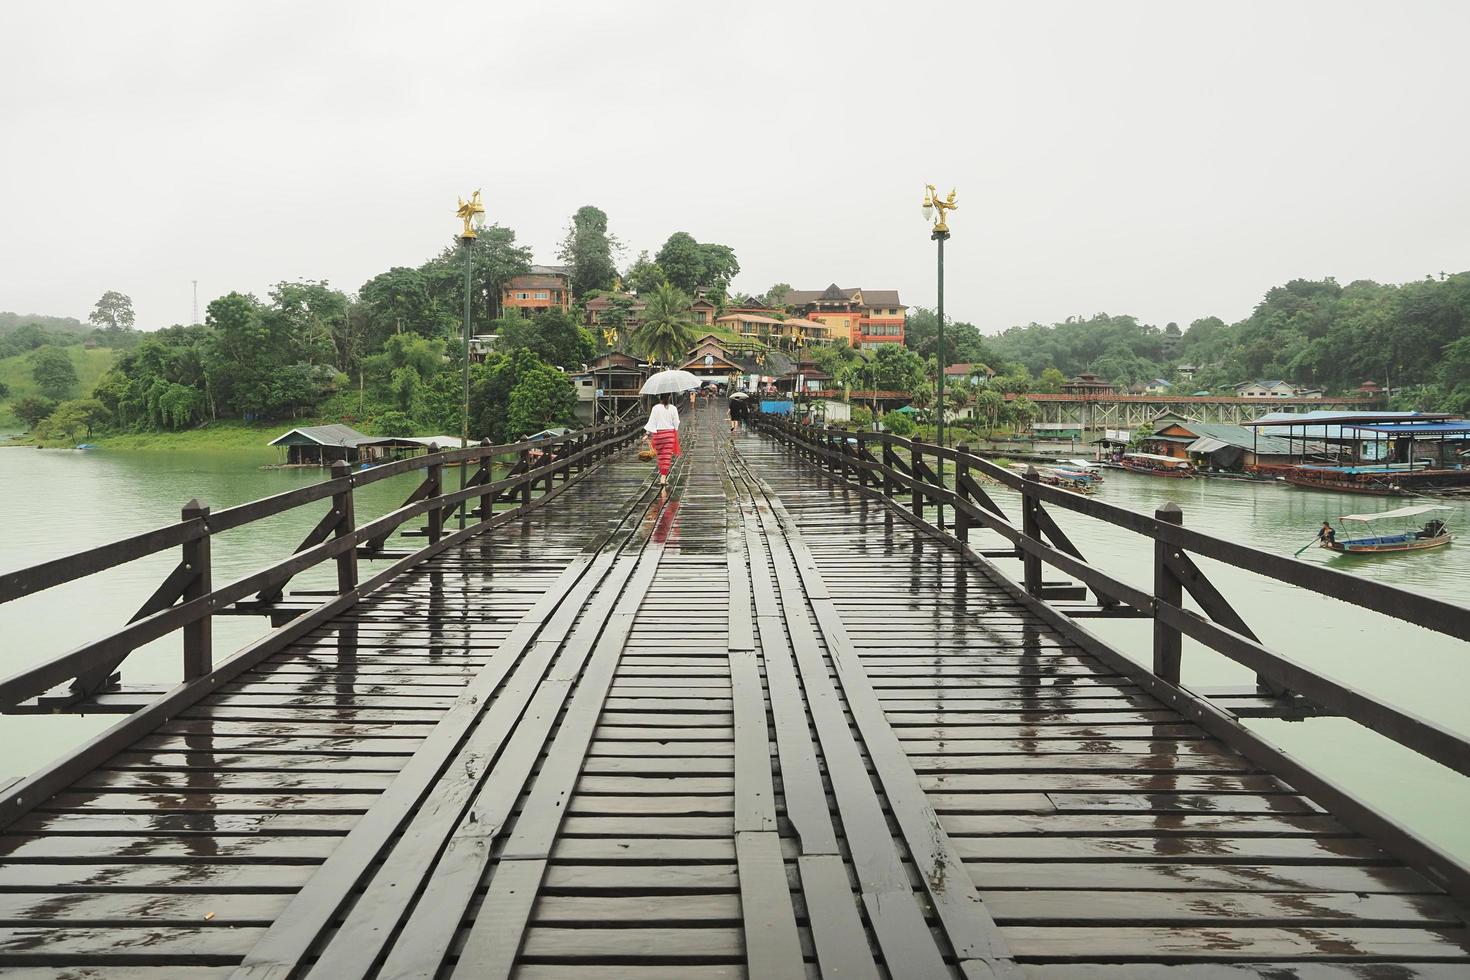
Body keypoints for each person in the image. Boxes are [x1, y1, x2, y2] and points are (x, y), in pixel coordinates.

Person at [644, 392, 681, 486]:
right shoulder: (673, 408)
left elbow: (651, 421)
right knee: (667, 457)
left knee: (660, 457)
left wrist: (647, 433)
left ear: (659, 397)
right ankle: (663, 477)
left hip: (658, 435)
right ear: (669, 397)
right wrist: (674, 428)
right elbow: (676, 422)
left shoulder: (655, 408)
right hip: (669, 435)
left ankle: (662, 475)